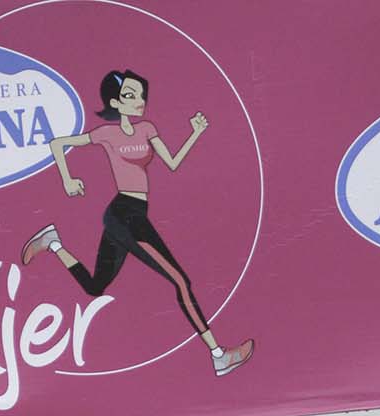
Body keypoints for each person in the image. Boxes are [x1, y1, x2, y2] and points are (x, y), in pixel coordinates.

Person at [21, 69, 254, 378]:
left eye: (141, 95)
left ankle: (53, 243)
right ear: (116, 102)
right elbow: (58, 144)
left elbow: (171, 163)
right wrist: (67, 179)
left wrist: (195, 133)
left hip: (134, 214)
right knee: (181, 282)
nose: (139, 101)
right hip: (123, 214)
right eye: (131, 96)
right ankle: (218, 355)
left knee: (95, 287)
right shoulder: (106, 133)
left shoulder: (147, 129)